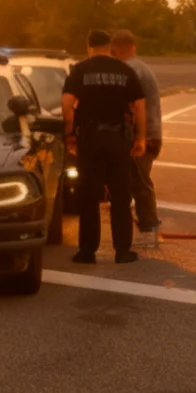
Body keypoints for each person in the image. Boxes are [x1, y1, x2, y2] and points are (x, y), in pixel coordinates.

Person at [61, 30, 146, 264]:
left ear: (89, 47)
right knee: (120, 195)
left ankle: (87, 251)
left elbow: (67, 105)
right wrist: (140, 138)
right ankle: (122, 251)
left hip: (90, 139)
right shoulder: (124, 70)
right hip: (117, 139)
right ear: (109, 46)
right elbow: (139, 106)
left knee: (88, 196)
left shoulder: (79, 70)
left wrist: (69, 136)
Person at [110, 29, 163, 242]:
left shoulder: (131, 71)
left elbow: (132, 107)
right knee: (137, 181)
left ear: (117, 49)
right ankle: (146, 224)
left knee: (140, 183)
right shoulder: (140, 68)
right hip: (152, 133)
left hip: (142, 136)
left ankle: (149, 227)